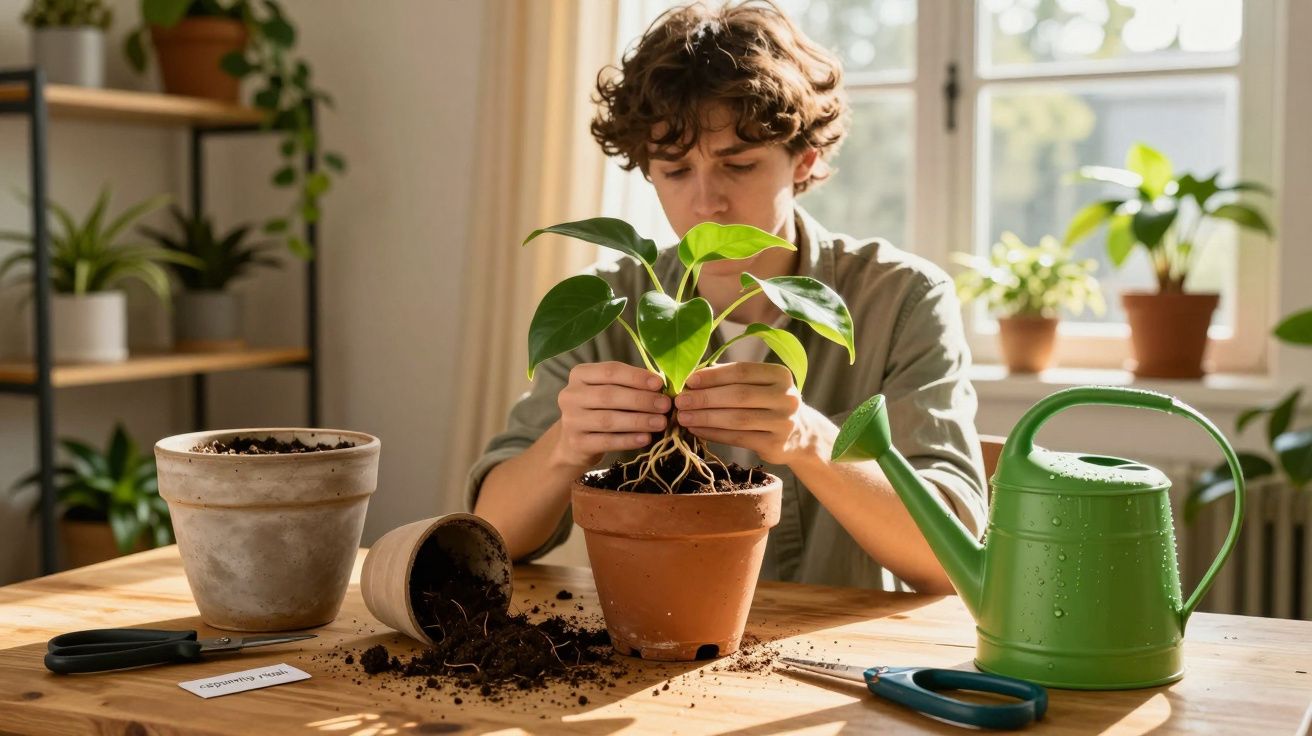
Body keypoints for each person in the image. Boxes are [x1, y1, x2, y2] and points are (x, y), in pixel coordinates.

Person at [469, 0, 986, 594]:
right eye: (675, 170)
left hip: (838, 663)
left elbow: (953, 559)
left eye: (737, 164)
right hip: (646, 645)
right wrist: (566, 445)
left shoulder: (900, 300)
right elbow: (493, 536)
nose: (706, 202)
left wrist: (810, 442)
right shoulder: (611, 300)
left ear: (805, 161)